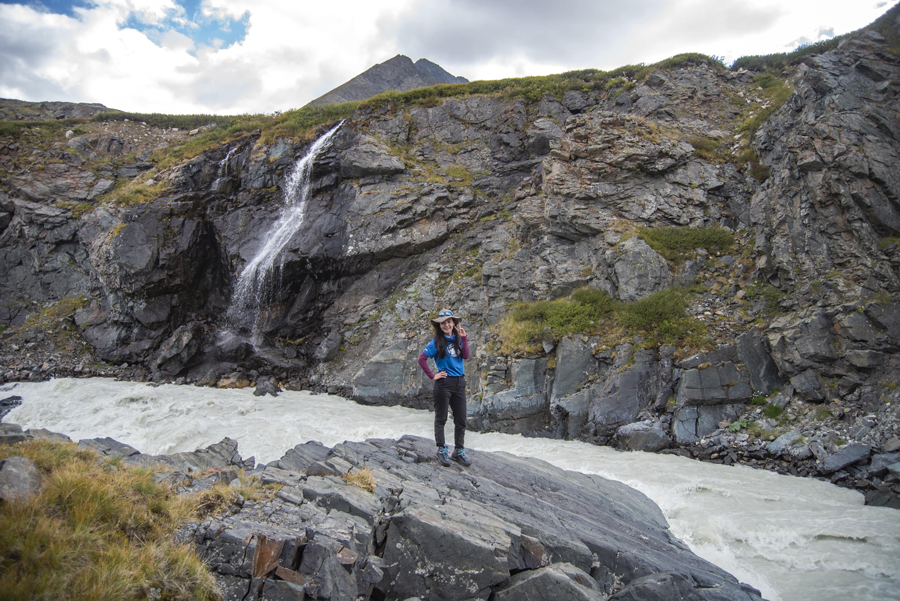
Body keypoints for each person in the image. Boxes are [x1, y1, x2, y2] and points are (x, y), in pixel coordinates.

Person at [418, 309, 472, 467]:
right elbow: (422, 359)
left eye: (449, 322)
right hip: (443, 384)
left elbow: (466, 356)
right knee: (441, 418)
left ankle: (458, 451)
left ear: (454, 323)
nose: (446, 325)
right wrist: (432, 376)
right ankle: (441, 449)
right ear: (439, 325)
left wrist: (464, 339)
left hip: (459, 383)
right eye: (443, 323)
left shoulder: (459, 338)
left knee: (461, 419)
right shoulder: (436, 342)